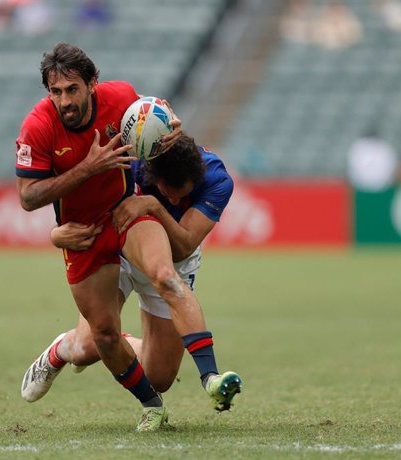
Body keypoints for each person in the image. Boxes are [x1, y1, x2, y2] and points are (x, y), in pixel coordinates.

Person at [15, 43, 242, 432]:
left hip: (127, 214)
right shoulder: (37, 127)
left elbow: (153, 112)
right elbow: (28, 197)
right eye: (56, 92)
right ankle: (67, 350)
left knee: (162, 356)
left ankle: (210, 378)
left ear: (93, 84)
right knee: (94, 343)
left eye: (72, 89)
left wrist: (169, 121)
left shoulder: (119, 98)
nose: (65, 100)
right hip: (87, 234)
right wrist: (82, 180)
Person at [24, 133, 238, 403]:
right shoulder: (132, 164)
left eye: (180, 196)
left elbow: (184, 244)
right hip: (122, 254)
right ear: (153, 176)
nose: (174, 202)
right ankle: (61, 349)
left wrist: (154, 206)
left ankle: (115, 341)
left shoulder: (217, 180)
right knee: (85, 348)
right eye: (166, 194)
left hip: (173, 261)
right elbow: (84, 205)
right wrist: (56, 234)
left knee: (159, 377)